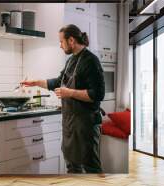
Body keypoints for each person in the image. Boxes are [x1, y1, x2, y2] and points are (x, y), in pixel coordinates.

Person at [21, 24, 105, 174]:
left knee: (91, 169)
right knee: (72, 167)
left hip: (86, 126)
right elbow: (57, 82)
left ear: (71, 40)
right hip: (70, 124)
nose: (60, 46)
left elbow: (98, 94)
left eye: (61, 41)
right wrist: (35, 83)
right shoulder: (71, 61)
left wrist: (70, 93)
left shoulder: (91, 61)